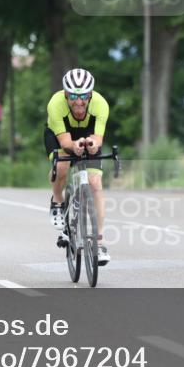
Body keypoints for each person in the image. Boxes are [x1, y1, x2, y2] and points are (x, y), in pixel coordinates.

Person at [44, 68, 110, 265]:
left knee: (95, 183)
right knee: (63, 166)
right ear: (65, 94)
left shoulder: (100, 105)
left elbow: (98, 138)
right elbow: (65, 142)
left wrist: (92, 145)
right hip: (60, 135)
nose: (79, 102)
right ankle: (57, 201)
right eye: (73, 96)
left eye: (83, 96)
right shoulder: (55, 104)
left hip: (88, 133)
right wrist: (74, 146)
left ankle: (99, 242)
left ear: (90, 95)